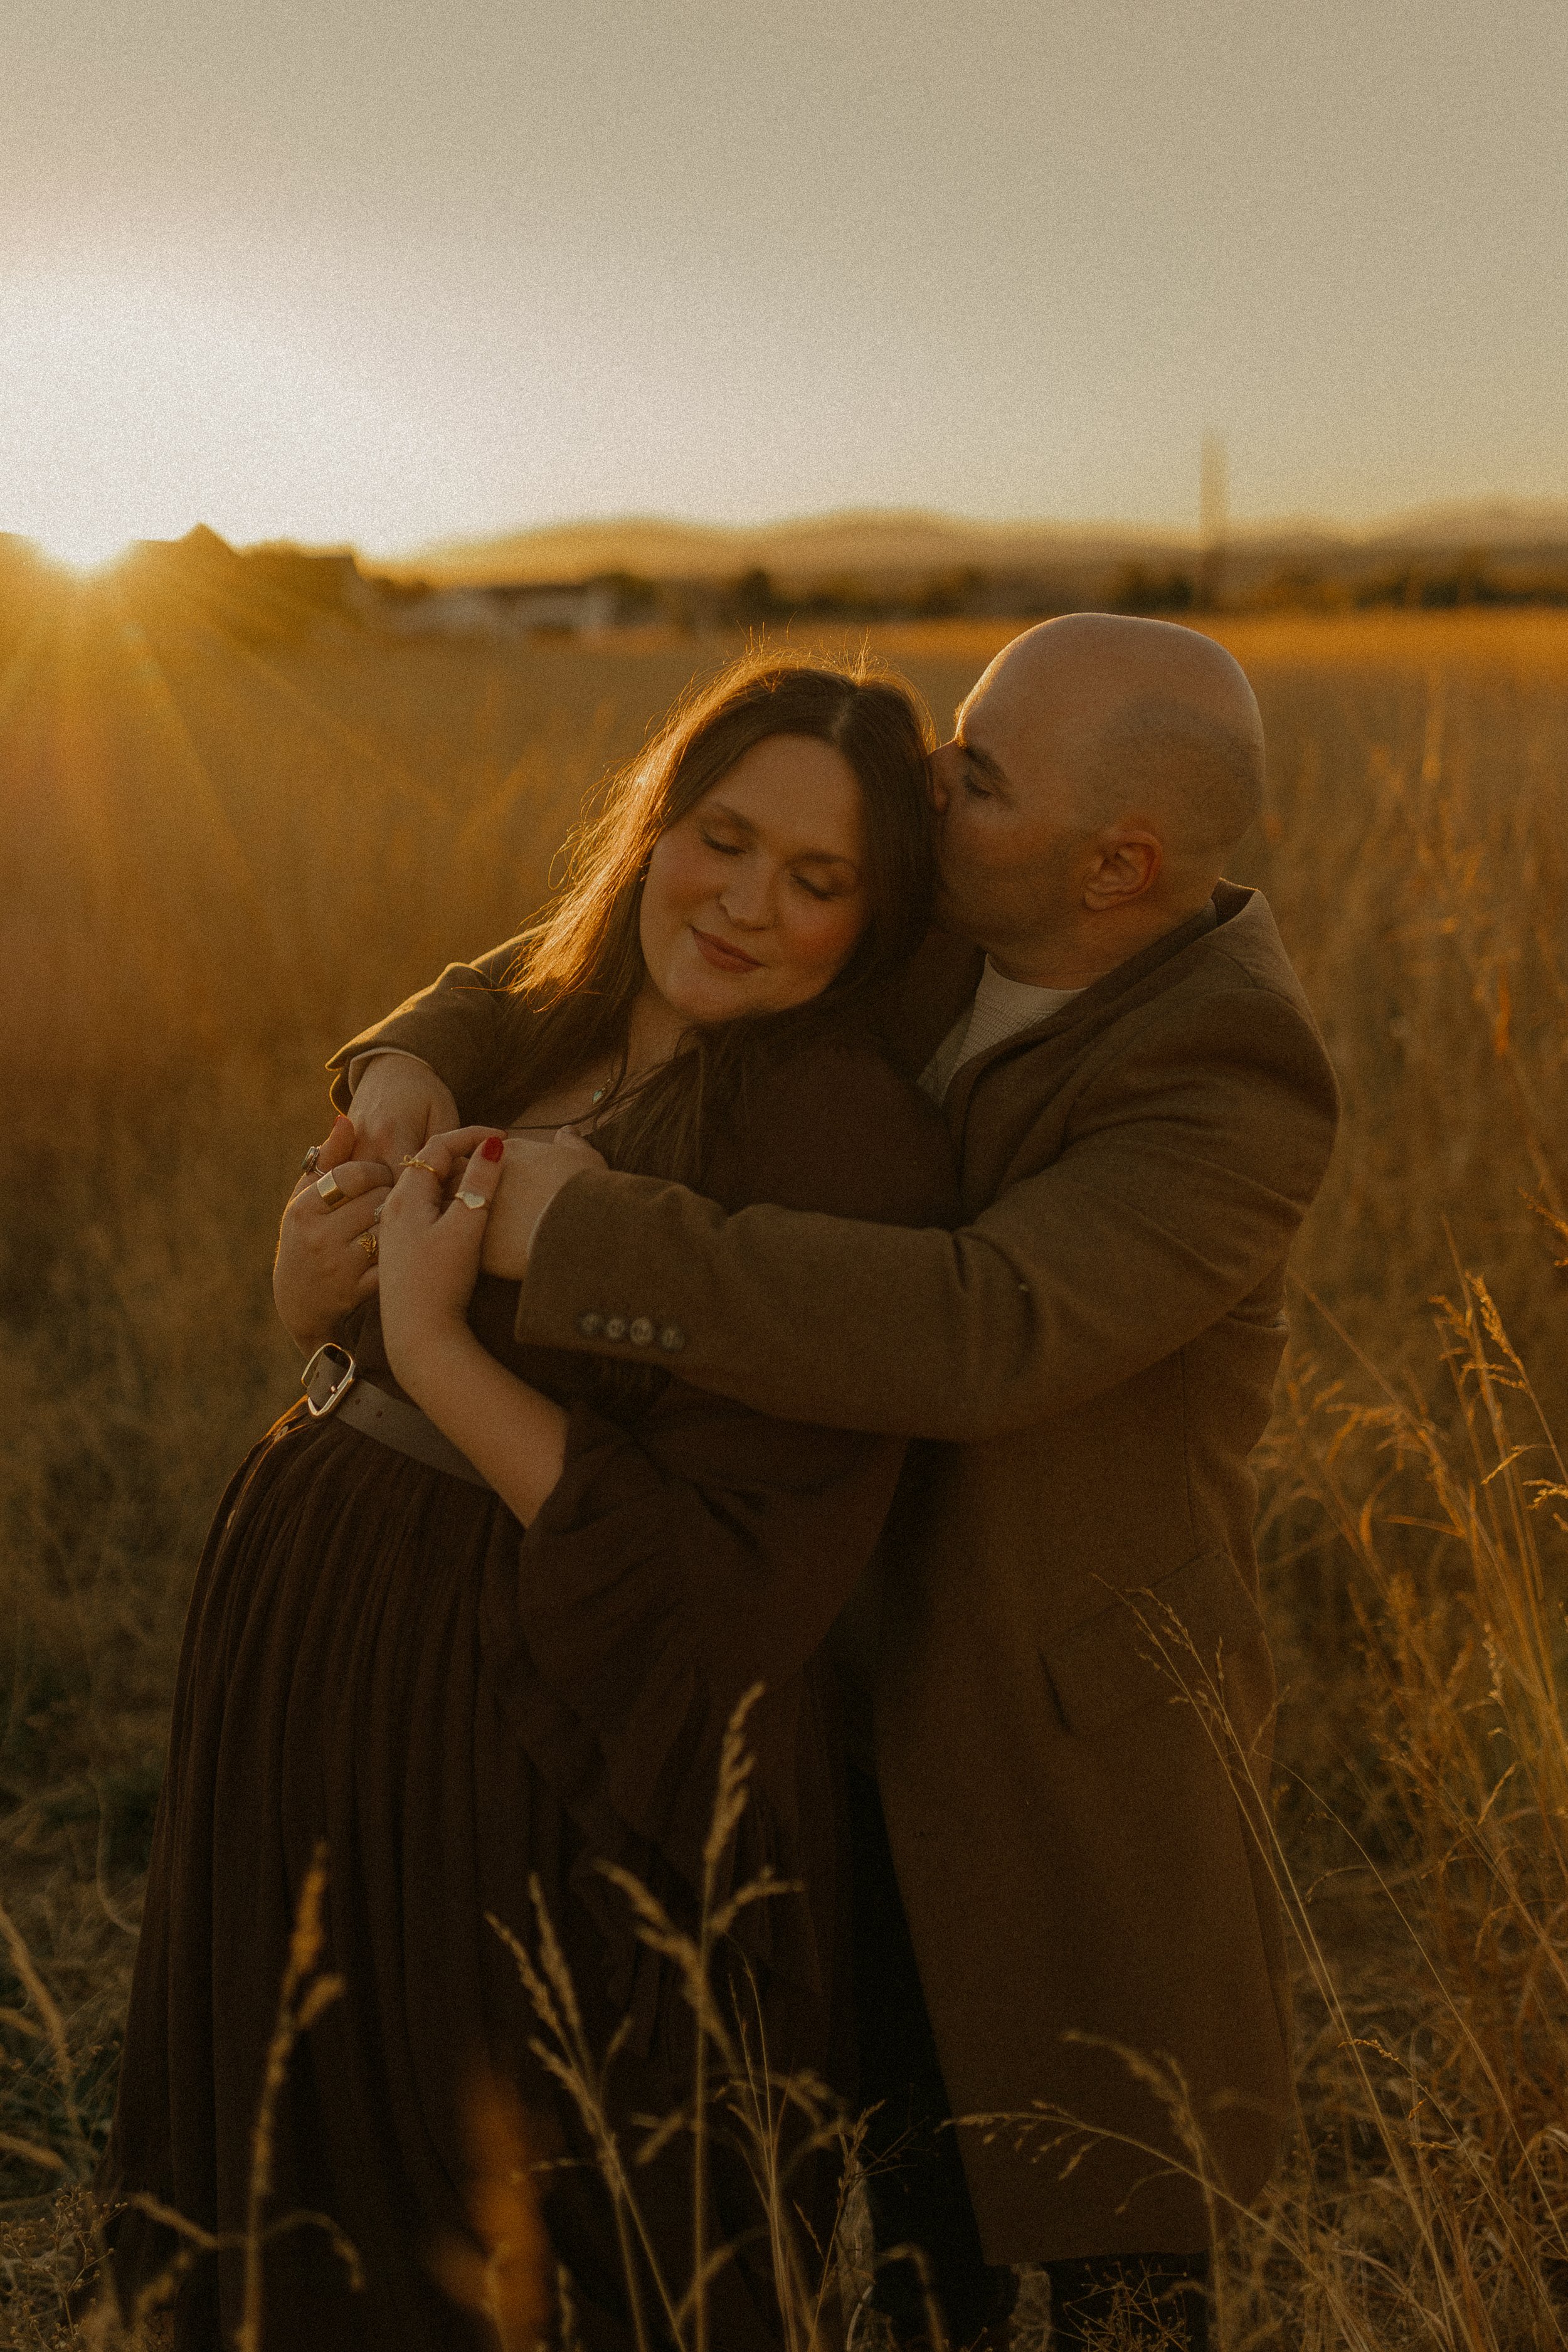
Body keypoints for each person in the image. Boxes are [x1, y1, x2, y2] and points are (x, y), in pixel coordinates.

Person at [337, 613, 1342, 2352]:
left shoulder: (1224, 1078)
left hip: (1039, 1737)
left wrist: (585, 1228)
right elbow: (580, 955)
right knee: (866, 2199)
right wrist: (409, 1054)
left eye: (979, 773)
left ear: (1117, 863)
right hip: (799, 1662)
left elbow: (984, 1330)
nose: (927, 783)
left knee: (1111, 2240)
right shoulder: (944, 924)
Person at [100, 652, 960, 2352]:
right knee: (292, 2162)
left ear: (874, 921)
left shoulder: (832, 1132)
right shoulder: (540, 1023)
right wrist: (318, 1292)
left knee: (469, 2222)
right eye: (720, 838)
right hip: (314, 1659)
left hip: (517, 1738)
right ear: (655, 827)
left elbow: (728, 1574)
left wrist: (423, 1341)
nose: (743, 903)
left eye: (816, 881)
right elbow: (374, 1258)